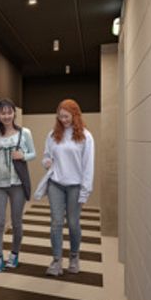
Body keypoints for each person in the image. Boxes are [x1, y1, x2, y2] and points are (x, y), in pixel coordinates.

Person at [41, 99, 95, 276]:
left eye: (66, 116)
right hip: (55, 184)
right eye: (60, 116)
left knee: (73, 223)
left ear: (75, 115)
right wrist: (46, 162)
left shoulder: (85, 136)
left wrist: (85, 192)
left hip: (75, 186)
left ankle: (74, 256)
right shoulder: (52, 135)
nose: (63, 120)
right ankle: (56, 260)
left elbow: (88, 166)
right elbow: (46, 156)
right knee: (56, 222)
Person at [0, 98, 36, 272]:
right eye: (3, 113)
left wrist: (23, 156)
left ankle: (14, 255)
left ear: (14, 113)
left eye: (9, 112)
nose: (6, 116)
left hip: (17, 184)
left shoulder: (25, 133)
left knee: (16, 222)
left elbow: (33, 153)